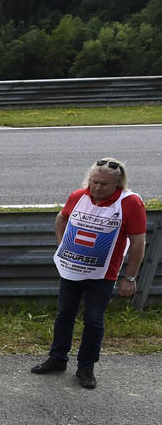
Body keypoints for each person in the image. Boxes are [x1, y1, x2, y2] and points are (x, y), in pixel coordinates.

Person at [32, 157, 147, 389]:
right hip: (72, 268)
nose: (97, 188)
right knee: (64, 314)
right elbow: (61, 218)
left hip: (103, 274)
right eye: (94, 182)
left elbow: (138, 243)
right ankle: (57, 358)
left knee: (93, 320)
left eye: (104, 184)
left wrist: (130, 277)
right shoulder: (78, 196)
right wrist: (62, 246)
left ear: (118, 184)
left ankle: (86, 367)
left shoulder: (130, 203)